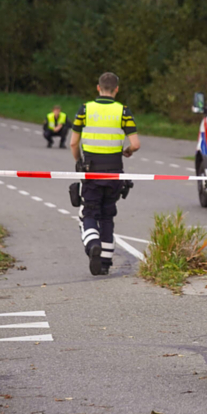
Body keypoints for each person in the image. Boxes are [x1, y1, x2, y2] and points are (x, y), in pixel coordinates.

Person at [70, 72, 140, 275]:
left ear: (98, 88)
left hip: (91, 172)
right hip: (115, 175)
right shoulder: (123, 111)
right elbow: (135, 143)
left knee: (89, 212)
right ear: (116, 89)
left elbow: (74, 142)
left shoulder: (85, 109)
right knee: (107, 215)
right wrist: (128, 150)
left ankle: (93, 245)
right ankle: (105, 264)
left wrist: (79, 162)